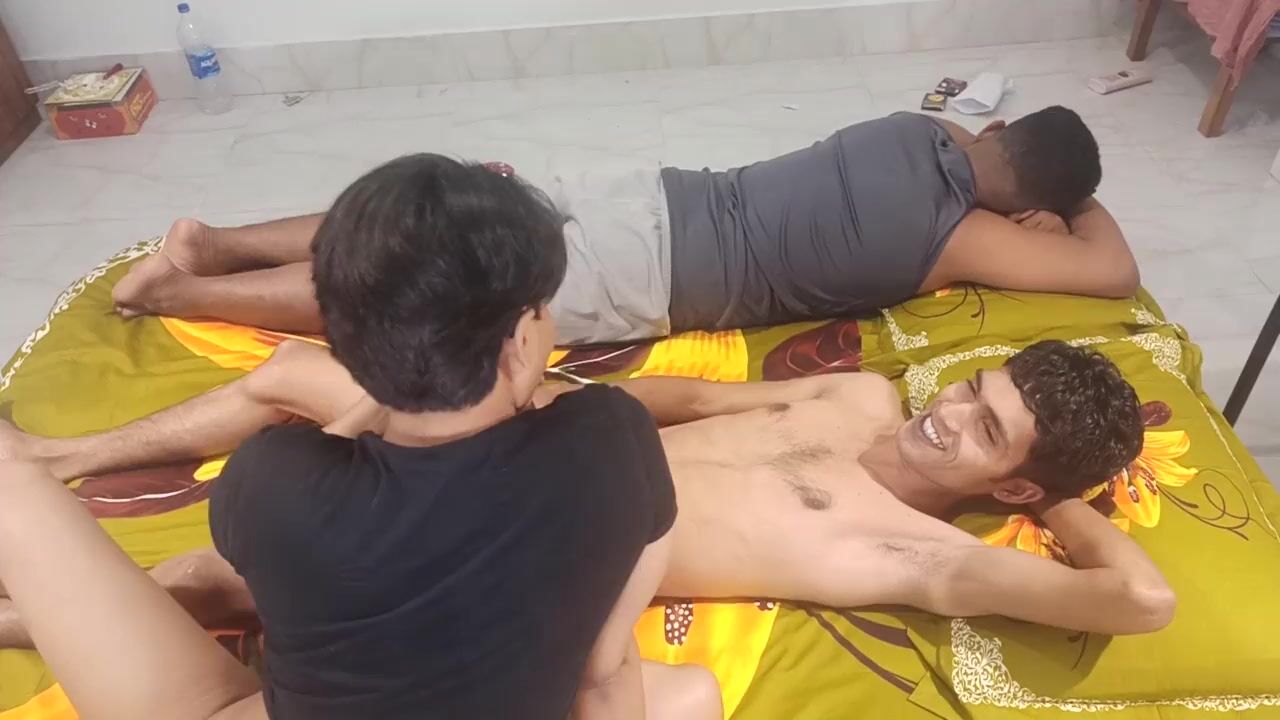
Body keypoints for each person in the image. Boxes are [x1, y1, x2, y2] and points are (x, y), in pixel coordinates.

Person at [0, 154, 725, 719]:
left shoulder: (273, 482)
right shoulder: (614, 437)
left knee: (16, 486)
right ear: (518, 344)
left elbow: (320, 535)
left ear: (342, 344)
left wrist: (373, 403)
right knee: (690, 693)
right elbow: (604, 671)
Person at [0, 340, 1176, 643]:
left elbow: (1141, 602)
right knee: (302, 373)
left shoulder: (917, 556)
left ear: (1010, 479)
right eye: (971, 386)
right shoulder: (856, 395)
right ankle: (58, 460)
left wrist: (1061, 498)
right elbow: (685, 397)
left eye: (985, 429)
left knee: (232, 577)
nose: (947, 411)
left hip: (523, 540)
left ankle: (23, 609)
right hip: (535, 444)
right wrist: (544, 396)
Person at [110, 106, 1138, 346]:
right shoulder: (960, 236)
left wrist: (1020, 165)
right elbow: (1111, 273)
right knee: (433, 291)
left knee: (430, 215)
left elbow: (982, 144)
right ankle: (183, 290)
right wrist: (1068, 212)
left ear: (991, 129)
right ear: (1025, 210)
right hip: (656, 271)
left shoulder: (915, 126)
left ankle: (217, 244)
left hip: (647, 192)